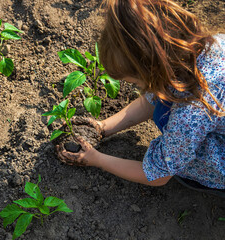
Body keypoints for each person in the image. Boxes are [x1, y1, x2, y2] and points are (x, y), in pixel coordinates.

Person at [56, 0, 225, 195]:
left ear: (154, 71)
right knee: (164, 105)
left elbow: (157, 175)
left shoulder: (190, 115)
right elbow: (151, 100)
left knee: (171, 136)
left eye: (135, 82)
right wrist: (102, 128)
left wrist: (97, 159)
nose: (137, 87)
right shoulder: (206, 46)